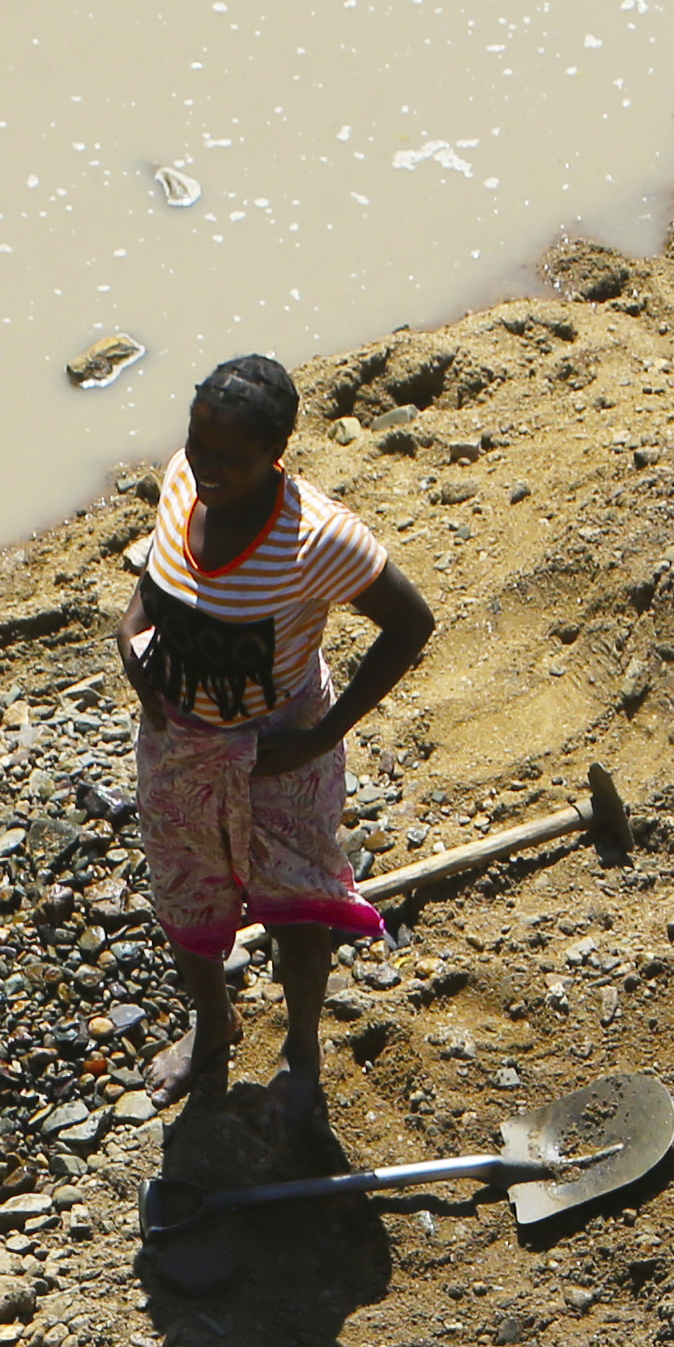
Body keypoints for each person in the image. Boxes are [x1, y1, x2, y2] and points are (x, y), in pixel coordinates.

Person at [119, 356, 434, 1151]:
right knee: (186, 891)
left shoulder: (317, 537)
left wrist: (326, 735)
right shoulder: (183, 482)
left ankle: (301, 1047)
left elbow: (410, 624)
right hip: (179, 746)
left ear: (277, 452)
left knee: (294, 899)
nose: (207, 468)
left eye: (231, 457)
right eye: (198, 444)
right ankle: (213, 1020)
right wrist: (130, 635)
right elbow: (159, 578)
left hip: (279, 748)